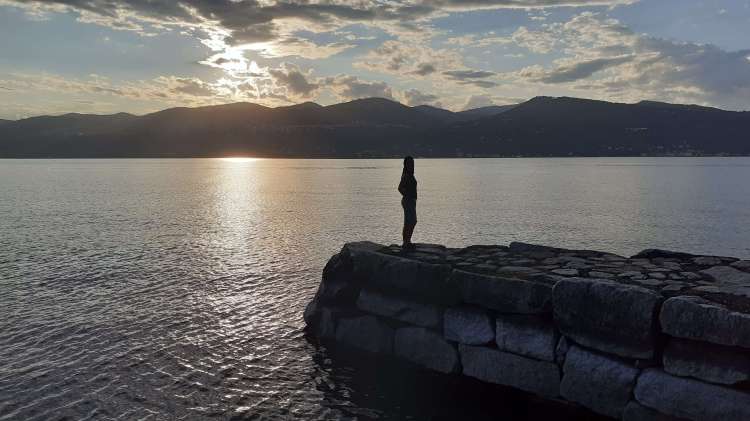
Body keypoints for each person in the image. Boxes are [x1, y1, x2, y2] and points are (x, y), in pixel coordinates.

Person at [398, 156, 417, 250]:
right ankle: (406, 242)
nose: (411, 164)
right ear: (406, 164)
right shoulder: (406, 175)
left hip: (411, 201)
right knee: (411, 221)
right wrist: (407, 195)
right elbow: (400, 188)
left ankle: (407, 241)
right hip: (408, 201)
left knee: (410, 221)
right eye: (409, 163)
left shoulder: (410, 174)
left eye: (412, 163)